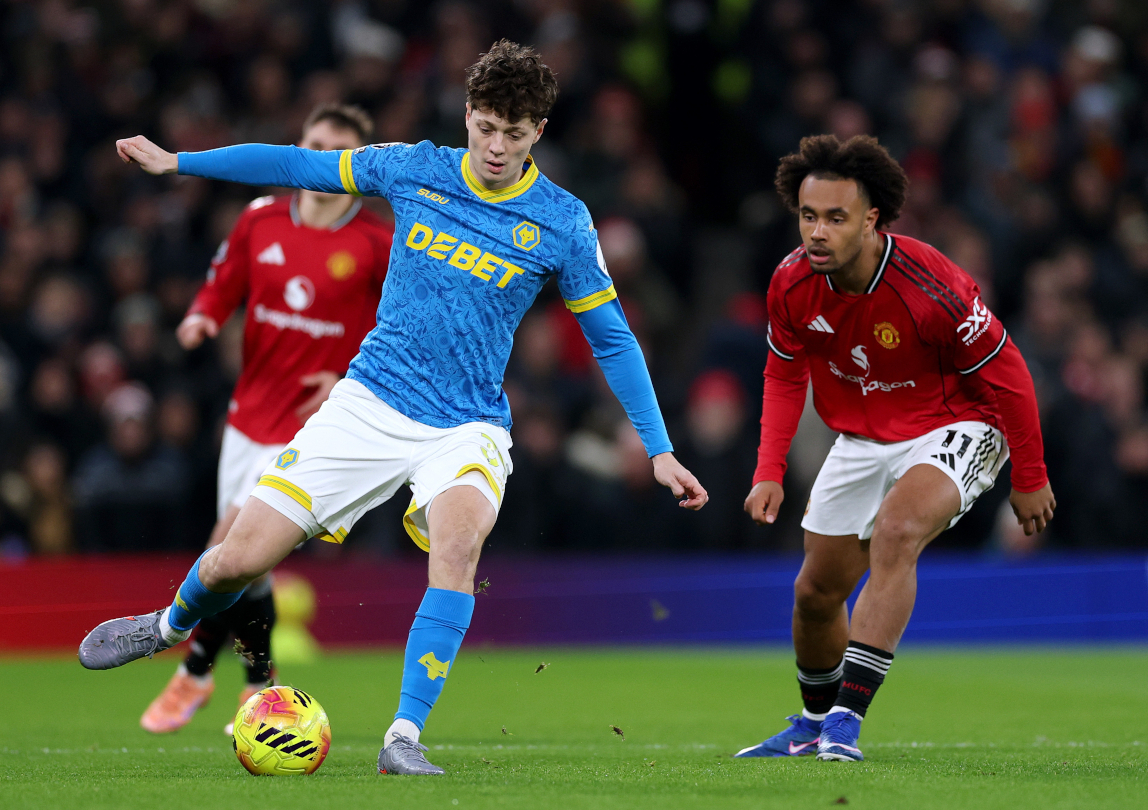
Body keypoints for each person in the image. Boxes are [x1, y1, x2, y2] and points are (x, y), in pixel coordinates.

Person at [78, 40, 707, 774]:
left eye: (516, 132)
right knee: (240, 560)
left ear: (539, 132)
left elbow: (613, 339)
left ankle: (402, 737)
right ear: (468, 114)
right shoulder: (414, 168)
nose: (497, 146)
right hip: (369, 404)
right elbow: (294, 165)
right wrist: (178, 162)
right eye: (487, 127)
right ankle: (165, 625)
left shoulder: (563, 223)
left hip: (468, 424)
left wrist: (659, 447)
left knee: (460, 545)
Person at [735, 135, 1054, 762]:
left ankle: (845, 726)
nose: (817, 232)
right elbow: (782, 374)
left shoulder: (933, 284)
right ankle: (811, 722)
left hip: (956, 422)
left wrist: (1030, 473)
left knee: (897, 533)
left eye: (835, 218)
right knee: (814, 593)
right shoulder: (790, 283)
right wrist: (769, 468)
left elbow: (1009, 373)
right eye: (807, 216)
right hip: (861, 437)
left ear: (871, 219)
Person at [136, 103, 392, 735]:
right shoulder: (260, 220)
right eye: (312, 142)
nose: (320, 156)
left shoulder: (378, 243)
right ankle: (259, 685)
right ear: (299, 146)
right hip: (247, 416)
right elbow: (223, 283)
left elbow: (397, 329)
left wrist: (344, 377)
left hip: (315, 427)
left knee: (229, 547)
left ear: (352, 164)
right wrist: (203, 316)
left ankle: (194, 670)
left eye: (336, 148)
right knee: (246, 567)